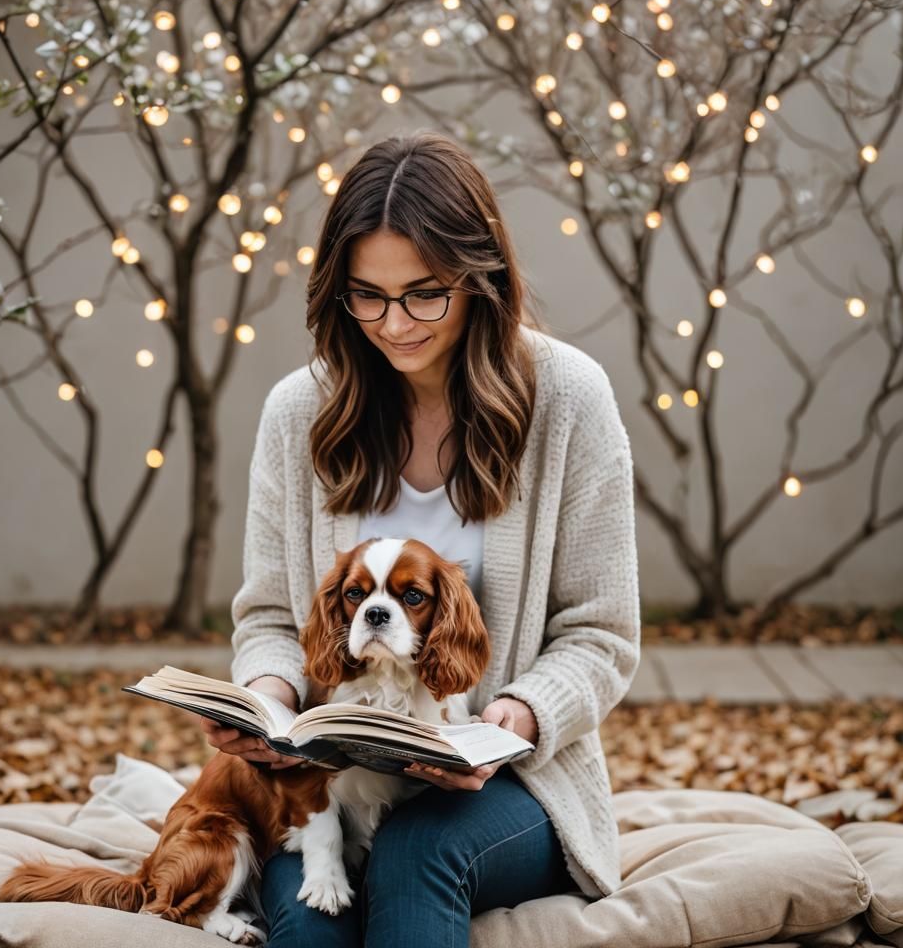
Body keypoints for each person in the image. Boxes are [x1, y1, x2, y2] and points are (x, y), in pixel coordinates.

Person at [200, 130, 640, 947]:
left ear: (482, 280)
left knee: (413, 855)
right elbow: (268, 619)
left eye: (424, 294)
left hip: (511, 784)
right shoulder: (300, 412)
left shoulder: (570, 400)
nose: (394, 323)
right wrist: (267, 704)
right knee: (304, 925)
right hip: (336, 785)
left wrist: (512, 718)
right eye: (367, 295)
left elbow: (600, 635)